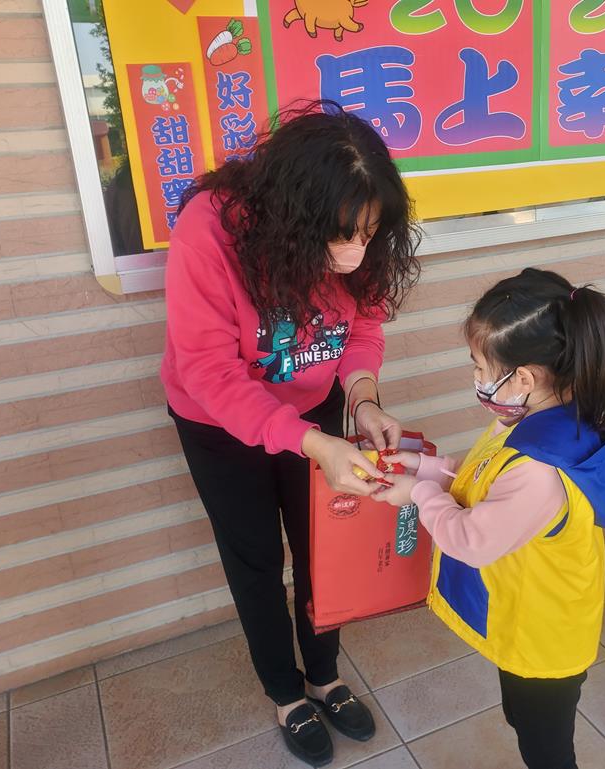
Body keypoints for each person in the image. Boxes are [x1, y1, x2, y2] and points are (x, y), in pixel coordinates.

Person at [160, 105, 420, 767]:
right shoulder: (210, 231)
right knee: (254, 558)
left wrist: (362, 398)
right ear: (292, 218)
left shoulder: (359, 245)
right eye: (341, 236)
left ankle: (324, 676)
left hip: (313, 407)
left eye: (369, 235)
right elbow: (209, 372)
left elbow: (362, 327)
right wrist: (312, 443)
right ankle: (285, 691)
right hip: (218, 422)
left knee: (322, 545)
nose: (355, 253)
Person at [372, 268, 605, 769]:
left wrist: (419, 494)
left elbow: (471, 540)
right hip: (534, 613)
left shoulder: (539, 469)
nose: (477, 379)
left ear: (524, 378)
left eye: (480, 367)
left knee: (546, 749)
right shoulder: (539, 419)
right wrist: (426, 469)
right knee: (523, 718)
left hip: (543, 635)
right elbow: (485, 478)